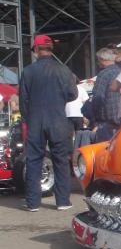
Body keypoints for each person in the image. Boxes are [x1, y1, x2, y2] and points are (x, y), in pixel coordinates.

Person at [18, 35, 77, 212]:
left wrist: (29, 119)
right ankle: (63, 201)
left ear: (36, 50)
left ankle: (33, 203)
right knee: (60, 160)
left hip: (35, 121)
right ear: (51, 49)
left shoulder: (28, 71)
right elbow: (73, 94)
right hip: (58, 120)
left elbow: (23, 101)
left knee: (34, 160)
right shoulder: (64, 70)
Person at [92, 47, 121, 142]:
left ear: (102, 60)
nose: (98, 63)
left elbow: (98, 97)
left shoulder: (103, 74)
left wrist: (95, 118)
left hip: (108, 122)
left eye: (98, 60)